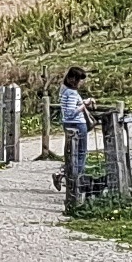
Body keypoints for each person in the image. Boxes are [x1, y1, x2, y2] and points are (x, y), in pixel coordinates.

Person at [54, 67, 92, 204]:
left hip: (68, 123)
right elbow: (71, 112)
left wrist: (84, 101)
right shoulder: (70, 92)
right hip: (76, 123)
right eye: (78, 80)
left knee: (72, 154)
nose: (80, 83)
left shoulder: (64, 90)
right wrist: (84, 106)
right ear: (72, 79)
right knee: (80, 154)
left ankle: (67, 176)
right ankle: (75, 181)